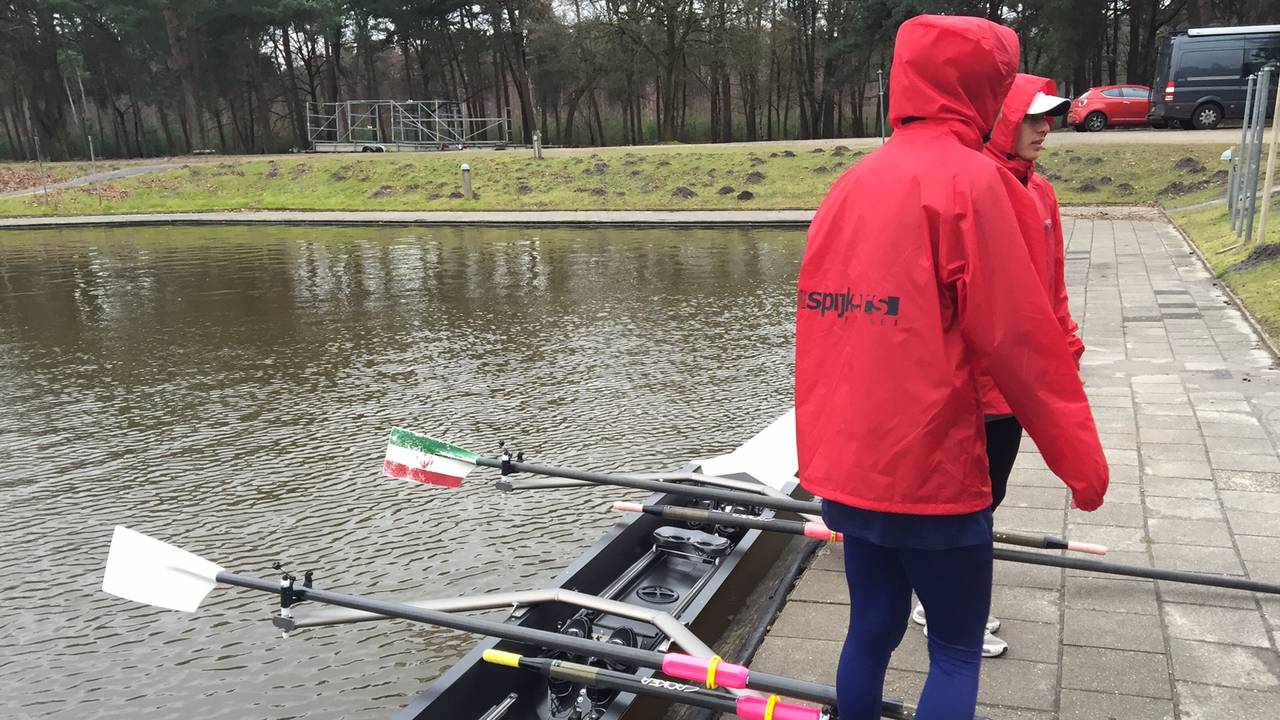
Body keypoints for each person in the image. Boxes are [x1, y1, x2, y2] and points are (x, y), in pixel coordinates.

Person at [794, 15, 1109, 720]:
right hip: (933, 470)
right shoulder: (975, 183)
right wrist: (1082, 465)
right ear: (987, 85)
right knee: (958, 650)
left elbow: (822, 333)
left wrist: (820, 454)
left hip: (850, 468)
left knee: (870, 627)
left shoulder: (850, 184)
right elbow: (1021, 343)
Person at [910, 74, 1084, 658]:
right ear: (1003, 118)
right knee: (967, 507)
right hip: (971, 386)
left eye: (1050, 117)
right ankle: (942, 611)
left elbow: (1050, 287)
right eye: (1032, 117)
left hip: (1017, 385)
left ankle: (940, 598)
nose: (1044, 128)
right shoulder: (971, 189)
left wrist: (1066, 349)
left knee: (993, 496)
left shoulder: (1042, 194)